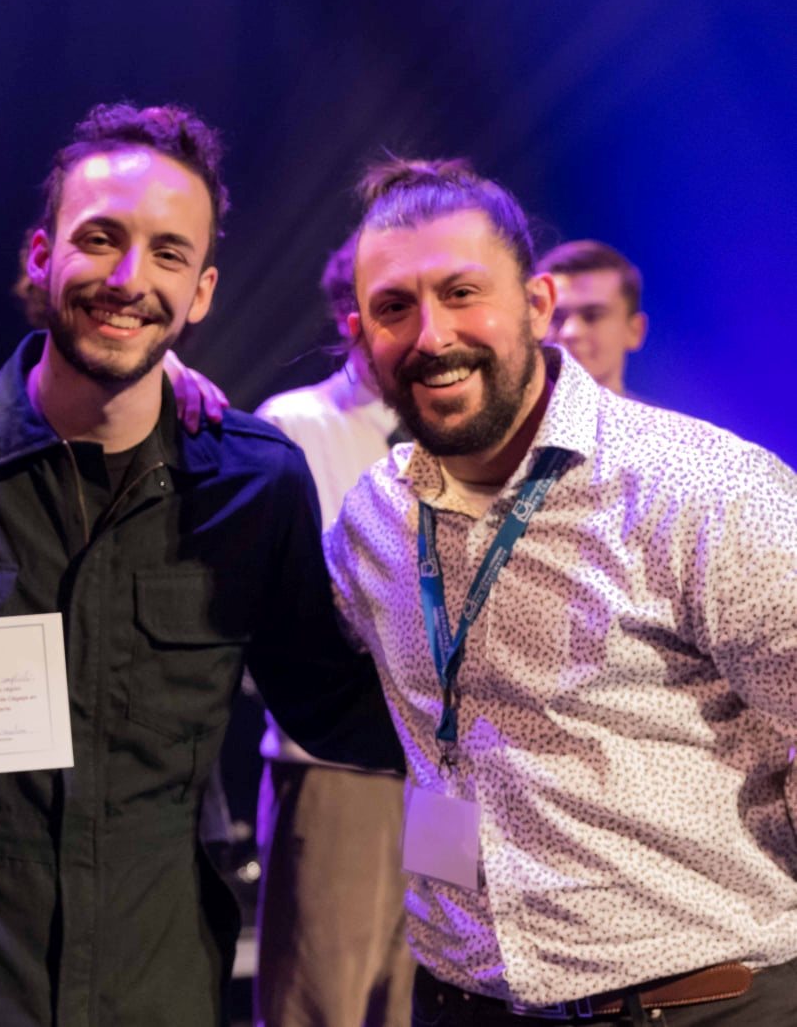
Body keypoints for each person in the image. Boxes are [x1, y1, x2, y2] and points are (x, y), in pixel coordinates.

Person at [0, 102, 400, 1026]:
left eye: (166, 253)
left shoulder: (254, 482)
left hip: (152, 985)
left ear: (200, 291)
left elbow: (335, 707)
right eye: (100, 239)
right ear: (42, 255)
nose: (127, 278)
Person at [327, 156, 797, 1024]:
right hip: (465, 1000)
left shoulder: (699, 488)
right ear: (361, 333)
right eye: (395, 306)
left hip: (695, 1001)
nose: (431, 334)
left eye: (462, 291)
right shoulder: (373, 521)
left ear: (538, 306)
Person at [251, 234, 412, 1027]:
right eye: (395, 300)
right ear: (353, 316)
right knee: (322, 998)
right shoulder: (299, 424)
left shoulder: (456, 434)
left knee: (419, 996)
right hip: (342, 763)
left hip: (449, 770)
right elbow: (284, 610)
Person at [538, 238, 647, 396]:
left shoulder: (658, 421)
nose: (570, 332)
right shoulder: (505, 420)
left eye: (592, 316)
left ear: (635, 331)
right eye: (556, 316)